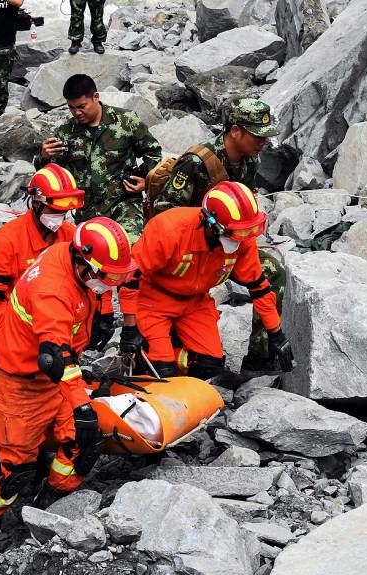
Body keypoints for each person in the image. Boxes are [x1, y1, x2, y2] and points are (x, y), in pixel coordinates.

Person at [0, 217, 137, 555]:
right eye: (106, 278)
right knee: (16, 468)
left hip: (53, 381)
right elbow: (54, 356)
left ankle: (48, 504)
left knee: (84, 445)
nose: (109, 284)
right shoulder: (51, 289)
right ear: (83, 262)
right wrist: (82, 405)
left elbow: (64, 351)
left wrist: (102, 310)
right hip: (21, 384)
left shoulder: (69, 256)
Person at [149, 98, 286, 372]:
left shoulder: (249, 161)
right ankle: (166, 336)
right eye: (257, 136)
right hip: (189, 250)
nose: (263, 143)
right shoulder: (196, 163)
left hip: (228, 244)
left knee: (271, 270)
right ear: (236, 131)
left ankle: (260, 355)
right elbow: (163, 214)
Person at [121, 181, 294, 381]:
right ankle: (145, 353)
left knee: (210, 365)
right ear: (211, 223)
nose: (242, 238)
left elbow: (259, 288)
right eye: (237, 233)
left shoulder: (241, 240)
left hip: (195, 302)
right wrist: (129, 328)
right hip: (154, 300)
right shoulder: (169, 229)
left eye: (247, 232)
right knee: (162, 370)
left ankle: (174, 347)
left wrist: (275, 334)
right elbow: (130, 279)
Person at [37, 74, 161, 238]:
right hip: (87, 211)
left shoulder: (125, 121)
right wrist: (44, 157)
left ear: (95, 97)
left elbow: (153, 153)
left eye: (82, 106)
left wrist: (147, 182)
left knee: (129, 246)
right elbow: (52, 177)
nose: (77, 113)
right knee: (89, 257)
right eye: (72, 108)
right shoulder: (66, 132)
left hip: (124, 205)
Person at [0, 164, 84, 358]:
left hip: (57, 331)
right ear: (36, 203)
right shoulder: (8, 240)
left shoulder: (71, 237)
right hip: (19, 335)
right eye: (55, 211)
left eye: (63, 213)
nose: (60, 218)